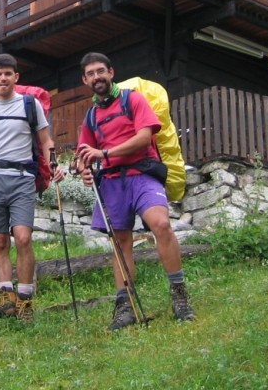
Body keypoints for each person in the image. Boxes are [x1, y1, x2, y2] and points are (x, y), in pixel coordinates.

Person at [74, 52, 195, 329]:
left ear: (111, 72)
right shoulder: (91, 115)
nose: (97, 77)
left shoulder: (133, 99)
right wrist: (84, 168)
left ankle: (179, 294)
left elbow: (143, 138)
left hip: (143, 173)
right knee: (121, 242)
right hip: (112, 181)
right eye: (91, 74)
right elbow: (84, 153)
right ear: (85, 80)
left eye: (101, 71)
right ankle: (124, 305)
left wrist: (103, 153)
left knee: (161, 224)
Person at [0, 53, 62, 323]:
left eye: (8, 73)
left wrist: (53, 164)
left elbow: (45, 139)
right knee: (0, 241)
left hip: (22, 177)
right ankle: (6, 298)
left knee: (23, 237)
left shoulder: (30, 105)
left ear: (16, 77)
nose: (3, 78)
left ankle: (26, 300)